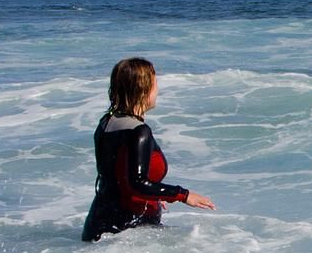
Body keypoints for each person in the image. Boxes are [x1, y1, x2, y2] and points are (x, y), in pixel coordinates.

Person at [81, 57, 216, 241]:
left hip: (99, 223)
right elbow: (137, 182)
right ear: (143, 90)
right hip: (125, 231)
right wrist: (183, 195)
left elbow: (117, 176)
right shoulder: (138, 131)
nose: (158, 90)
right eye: (155, 84)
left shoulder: (106, 123)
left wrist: (153, 195)